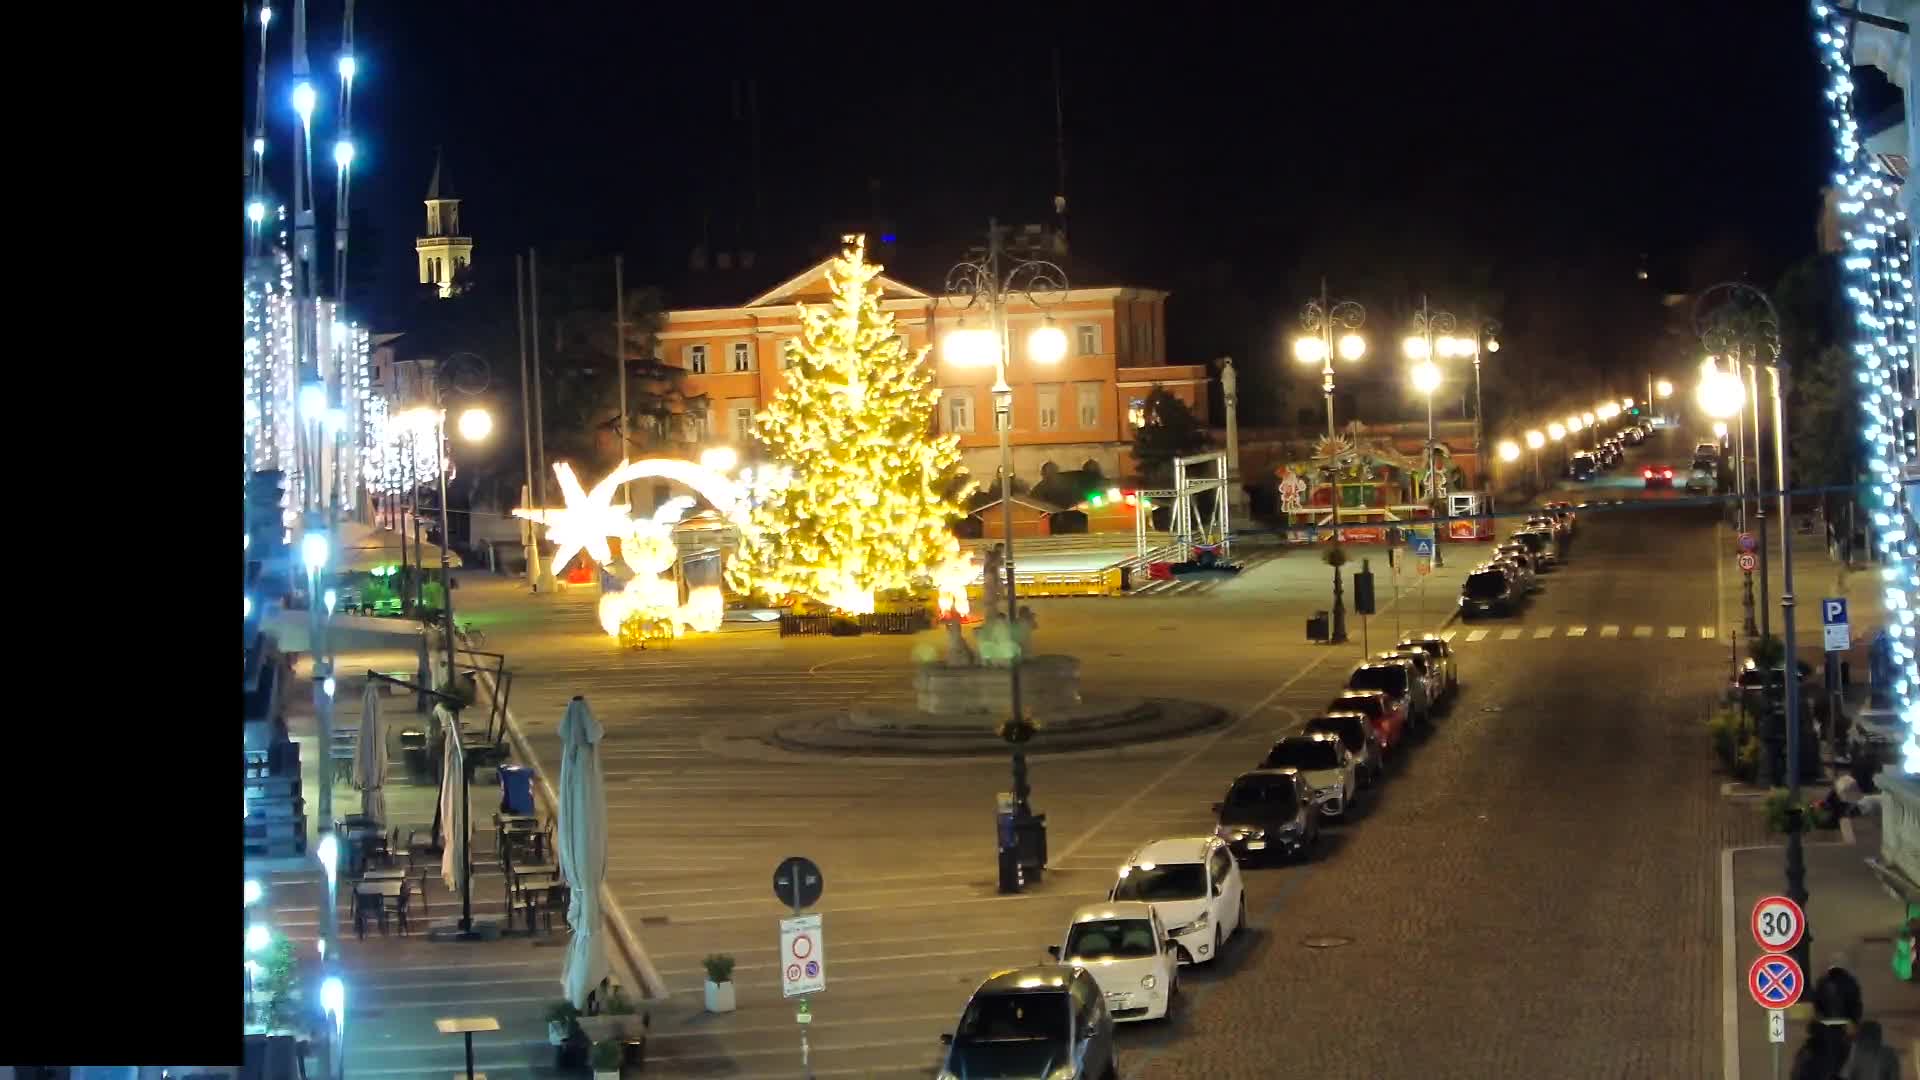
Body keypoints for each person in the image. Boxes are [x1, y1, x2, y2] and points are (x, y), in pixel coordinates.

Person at [1811, 952, 1866, 1026]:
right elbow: (1856, 1003)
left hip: (1826, 1023)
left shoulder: (1823, 981)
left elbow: (1817, 1003)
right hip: (1846, 1023)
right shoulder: (1850, 982)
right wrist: (1855, 1021)